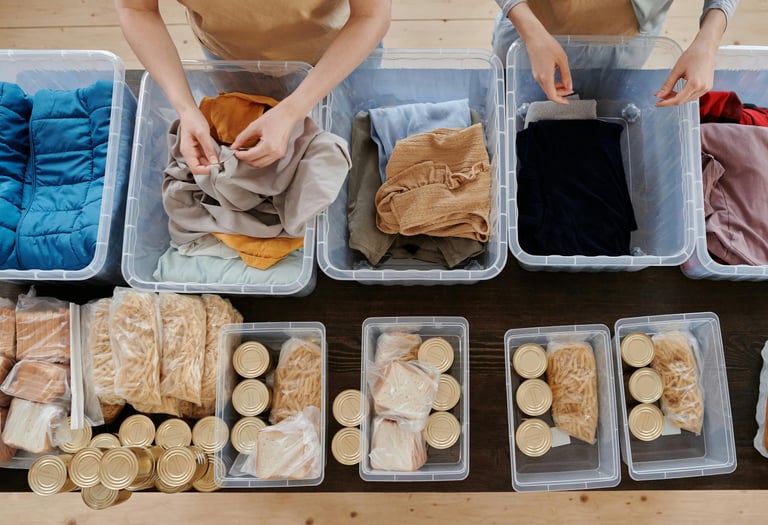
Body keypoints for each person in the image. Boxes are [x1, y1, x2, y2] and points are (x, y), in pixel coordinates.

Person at [115, 0, 391, 173]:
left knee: (354, 132)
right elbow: (135, 8)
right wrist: (186, 109)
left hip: (341, 50)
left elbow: (370, 15)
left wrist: (291, 110)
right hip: (231, 57)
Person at [492, 1, 739, 107]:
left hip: (625, 46)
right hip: (528, 33)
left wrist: (708, 41)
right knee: (513, 106)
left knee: (605, 110)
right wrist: (529, 29)